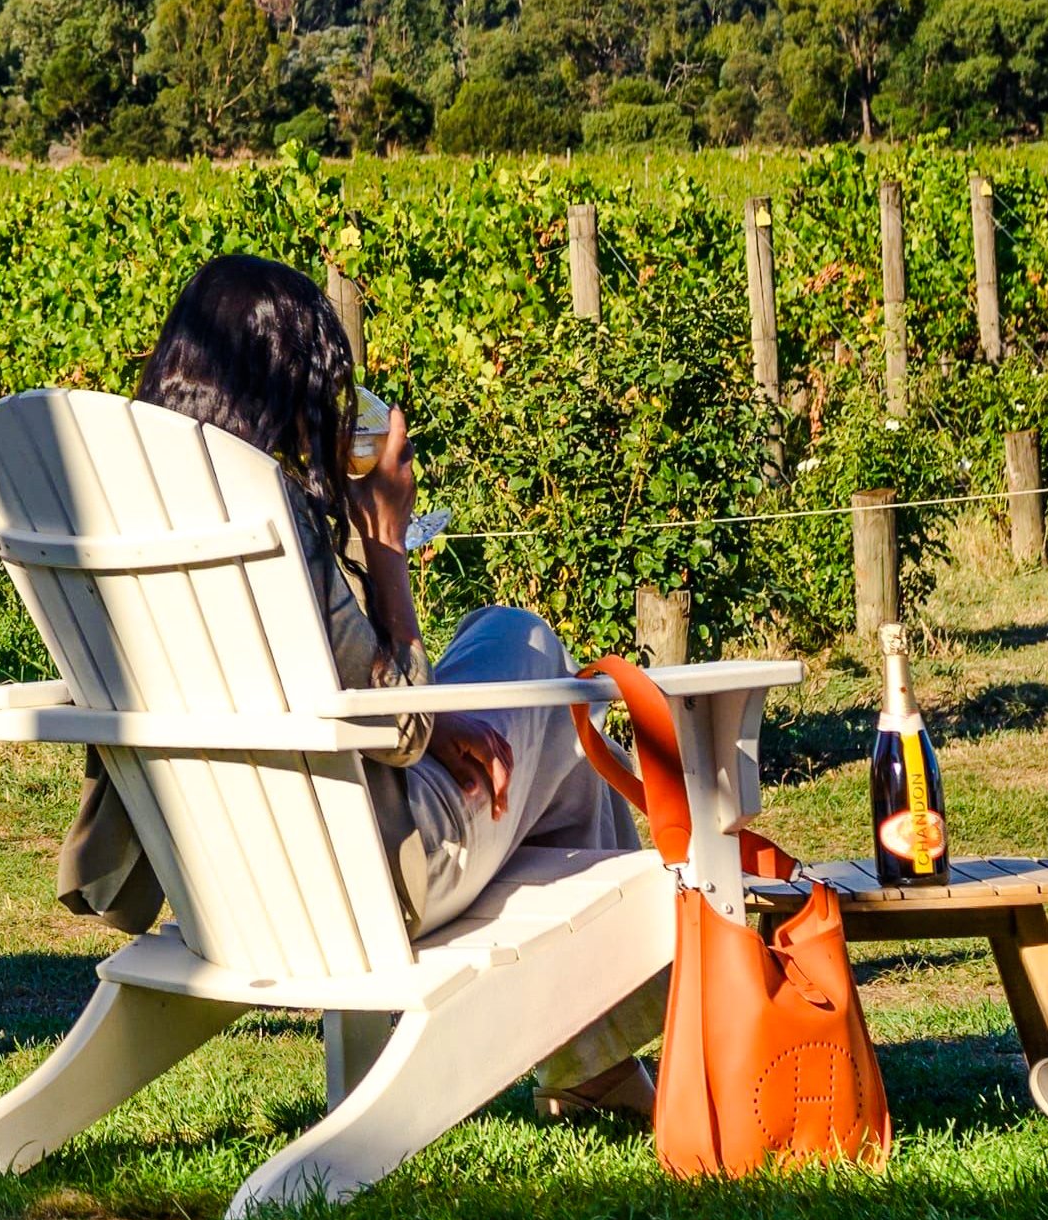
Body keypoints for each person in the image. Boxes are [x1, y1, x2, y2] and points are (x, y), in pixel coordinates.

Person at [51, 257, 636, 996]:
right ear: (286, 384)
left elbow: (337, 690)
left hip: (208, 875)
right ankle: (605, 1035)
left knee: (502, 635)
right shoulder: (266, 509)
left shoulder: (120, 515)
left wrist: (432, 720)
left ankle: (595, 1048)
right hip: (363, 880)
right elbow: (401, 727)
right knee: (544, 669)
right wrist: (386, 537)